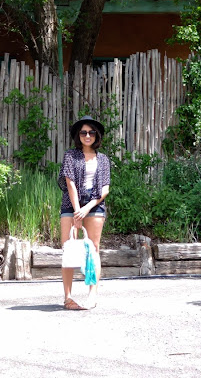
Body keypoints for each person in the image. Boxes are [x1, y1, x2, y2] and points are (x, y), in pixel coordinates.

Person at [58, 115, 111, 310]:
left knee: (94, 248)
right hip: (71, 204)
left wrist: (87, 208)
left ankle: (92, 295)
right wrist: (77, 211)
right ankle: (68, 297)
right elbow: (70, 182)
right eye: (83, 132)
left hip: (94, 204)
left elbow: (105, 189)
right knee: (68, 248)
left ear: (96, 135)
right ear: (78, 135)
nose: (87, 136)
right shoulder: (70, 156)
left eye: (91, 132)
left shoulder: (103, 159)